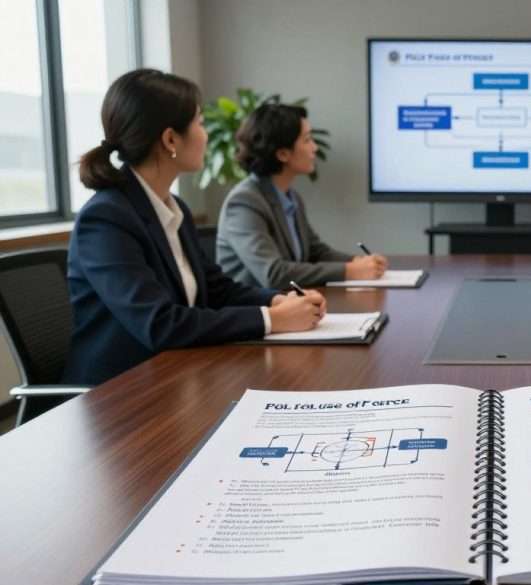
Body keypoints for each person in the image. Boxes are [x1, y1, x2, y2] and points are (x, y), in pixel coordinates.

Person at [63, 69, 326, 386]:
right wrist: (271, 320)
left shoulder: (173, 208)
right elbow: (158, 324)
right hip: (119, 393)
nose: (206, 135)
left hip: (176, 373)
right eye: (200, 123)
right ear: (171, 138)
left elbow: (218, 290)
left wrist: (277, 300)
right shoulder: (106, 218)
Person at [216, 103, 387, 289]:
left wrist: (359, 261)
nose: (314, 148)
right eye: (307, 141)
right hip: (255, 312)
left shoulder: (290, 196)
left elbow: (316, 252)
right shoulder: (244, 202)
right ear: (282, 154)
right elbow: (274, 274)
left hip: (290, 305)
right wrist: (349, 270)